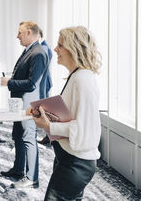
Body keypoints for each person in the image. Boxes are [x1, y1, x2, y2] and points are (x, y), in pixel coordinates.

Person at [29, 26, 102, 200]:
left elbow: (83, 130)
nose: (55, 49)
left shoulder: (82, 80)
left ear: (73, 49)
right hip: (69, 159)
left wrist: (48, 125)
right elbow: (74, 114)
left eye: (60, 45)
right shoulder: (77, 76)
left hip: (75, 163)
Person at [0, 21, 49, 188]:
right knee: (18, 136)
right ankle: (18, 169)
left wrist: (10, 83)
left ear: (29, 32)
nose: (17, 36)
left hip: (28, 103)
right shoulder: (30, 51)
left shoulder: (38, 53)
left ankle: (31, 177)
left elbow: (32, 83)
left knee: (28, 138)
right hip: (20, 103)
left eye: (20, 33)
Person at [38, 29, 53, 145]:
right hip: (44, 82)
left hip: (44, 83)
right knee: (45, 109)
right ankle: (49, 135)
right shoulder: (43, 46)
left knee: (46, 110)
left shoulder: (44, 48)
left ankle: (49, 135)